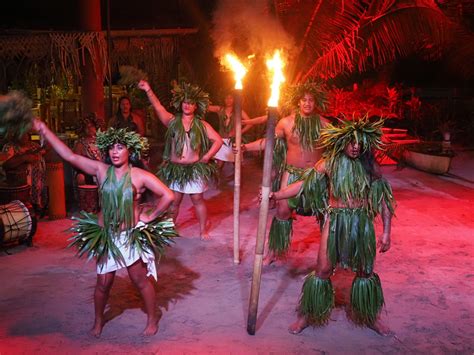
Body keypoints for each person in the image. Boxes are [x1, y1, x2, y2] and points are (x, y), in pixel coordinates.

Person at [33, 119, 176, 337]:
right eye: (112, 147)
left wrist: (151, 215)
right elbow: (70, 156)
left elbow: (168, 195)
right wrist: (45, 130)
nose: (115, 152)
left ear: (130, 150)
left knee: (139, 280)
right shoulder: (100, 170)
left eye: (120, 147)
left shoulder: (139, 176)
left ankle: (152, 318)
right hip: (106, 236)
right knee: (103, 284)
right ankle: (98, 321)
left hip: (129, 236)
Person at [267, 117, 395, 335]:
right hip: (335, 220)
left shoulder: (370, 166)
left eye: (359, 143)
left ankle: (369, 316)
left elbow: (384, 199)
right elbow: (302, 185)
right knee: (323, 269)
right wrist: (275, 194)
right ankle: (309, 315)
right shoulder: (329, 163)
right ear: (343, 141)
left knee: (365, 271)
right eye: (351, 142)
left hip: (361, 223)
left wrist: (386, 232)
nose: (355, 147)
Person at [242, 82, 329, 264]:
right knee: (282, 211)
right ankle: (273, 252)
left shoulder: (324, 125)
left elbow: (339, 147)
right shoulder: (286, 123)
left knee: (325, 215)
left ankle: (329, 257)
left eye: (310, 100)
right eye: (303, 100)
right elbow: (268, 141)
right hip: (292, 174)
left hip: (316, 176)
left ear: (315, 103)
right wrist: (245, 147)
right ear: (298, 102)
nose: (307, 103)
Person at [138, 80, 223, 240]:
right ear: (181, 103)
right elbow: (158, 108)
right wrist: (148, 90)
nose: (187, 105)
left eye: (191, 103)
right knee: (174, 201)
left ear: (195, 106)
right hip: (176, 169)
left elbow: (218, 140)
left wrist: (207, 156)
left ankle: (203, 230)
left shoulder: (202, 125)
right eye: (185, 102)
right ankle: (170, 228)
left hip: (194, 168)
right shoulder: (172, 121)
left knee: (197, 199)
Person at [2, 131, 46, 214]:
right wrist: (24, 158)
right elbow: (5, 164)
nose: (25, 136)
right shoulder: (9, 147)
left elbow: (43, 154)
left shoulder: (34, 146)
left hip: (37, 188)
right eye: (21, 133)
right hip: (19, 189)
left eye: (26, 133)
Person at [208, 94, 252, 171]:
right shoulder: (220, 109)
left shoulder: (239, 111)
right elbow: (206, 107)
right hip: (221, 140)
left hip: (233, 140)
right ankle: (217, 181)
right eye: (226, 98)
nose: (228, 100)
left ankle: (238, 181)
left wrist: (239, 132)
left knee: (237, 164)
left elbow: (250, 123)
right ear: (224, 99)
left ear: (234, 99)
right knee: (219, 164)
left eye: (230, 98)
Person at [73, 113, 102, 185]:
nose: (90, 129)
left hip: (102, 169)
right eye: (87, 127)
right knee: (81, 177)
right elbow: (75, 163)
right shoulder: (80, 144)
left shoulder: (102, 140)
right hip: (86, 172)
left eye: (91, 126)